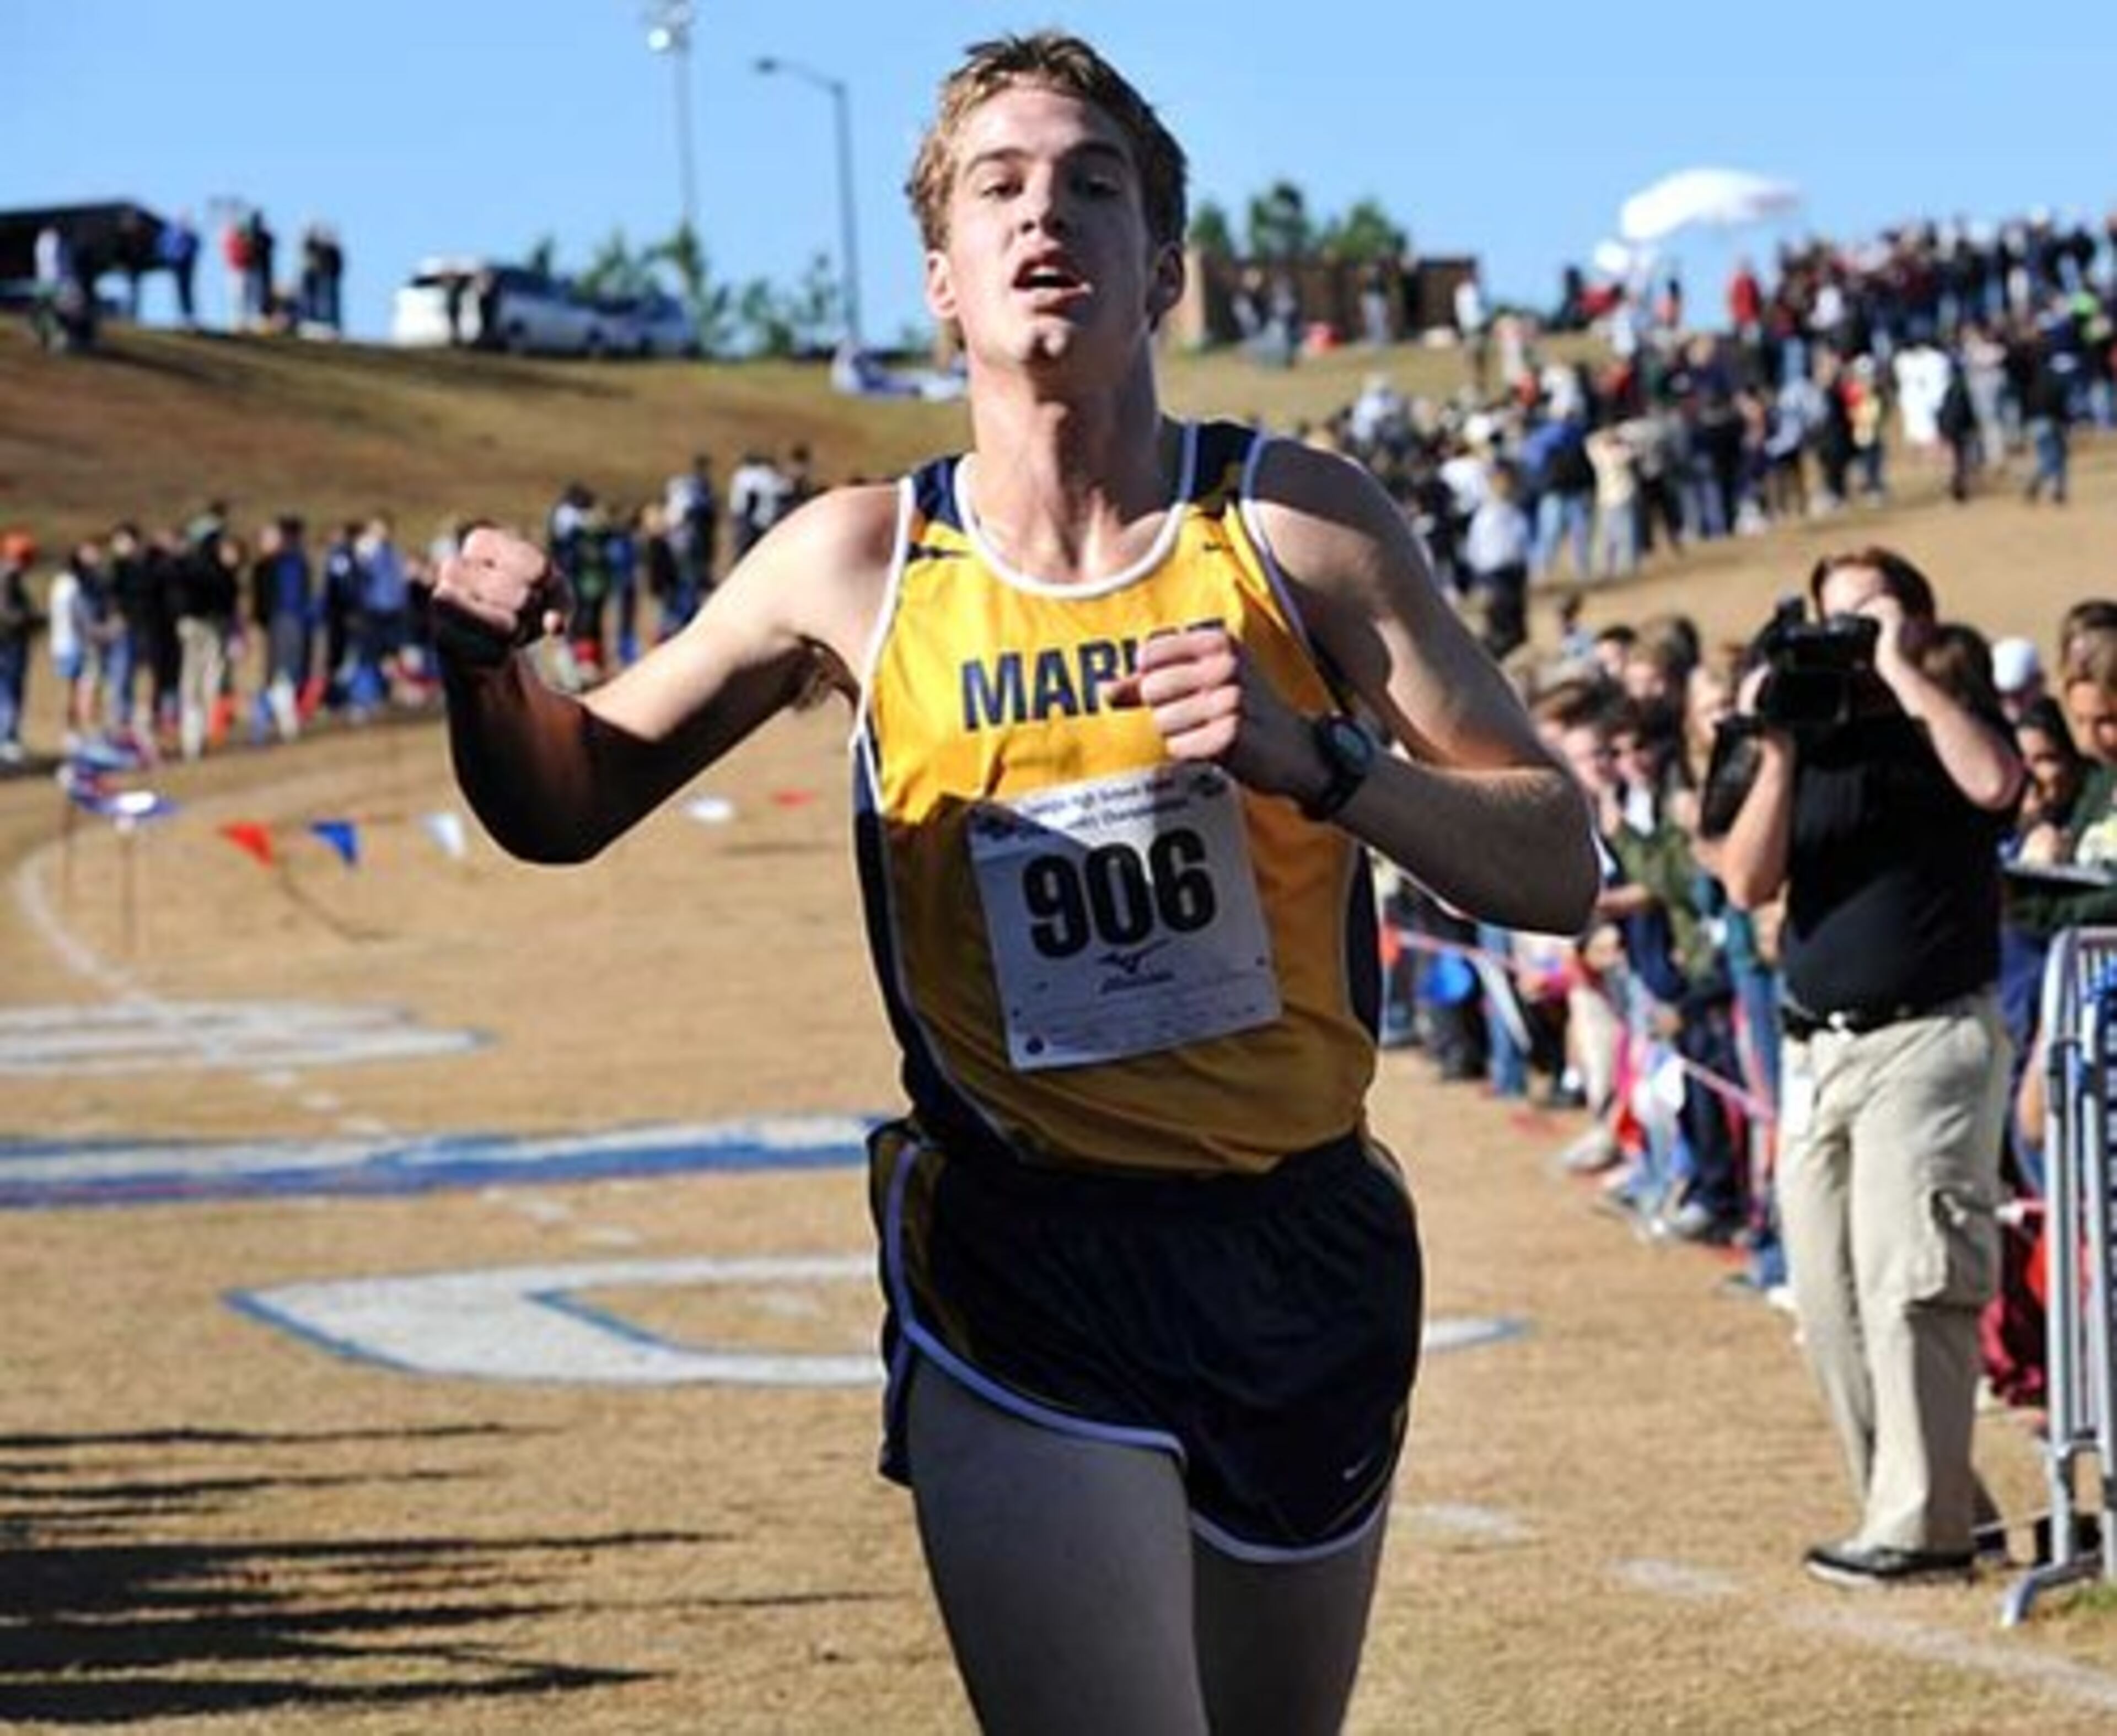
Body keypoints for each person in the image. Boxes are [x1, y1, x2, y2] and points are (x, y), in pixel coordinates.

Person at [429, 32, 1597, 1732]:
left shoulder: (1298, 527)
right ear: (943, 281)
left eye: (1093, 184)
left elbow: (1559, 857)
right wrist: (481, 674)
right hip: (1023, 1254)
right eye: (1000, 186)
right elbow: (569, 797)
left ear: (1166, 264)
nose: (1046, 211)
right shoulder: (859, 560)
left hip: (1302, 1246)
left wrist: (1320, 762)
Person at [1718, 546, 2024, 1588]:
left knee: (1912, 1284)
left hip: (1930, 1038)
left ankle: (1920, 1528)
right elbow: (1744, 877)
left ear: (1917, 616)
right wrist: (1779, 746)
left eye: (1870, 613)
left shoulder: (1947, 703)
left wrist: (1901, 666)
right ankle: (1940, 1503)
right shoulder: (1796, 734)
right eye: (1832, 619)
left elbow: (1998, 782)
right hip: (1821, 1049)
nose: (1846, 634)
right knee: (1829, 1295)